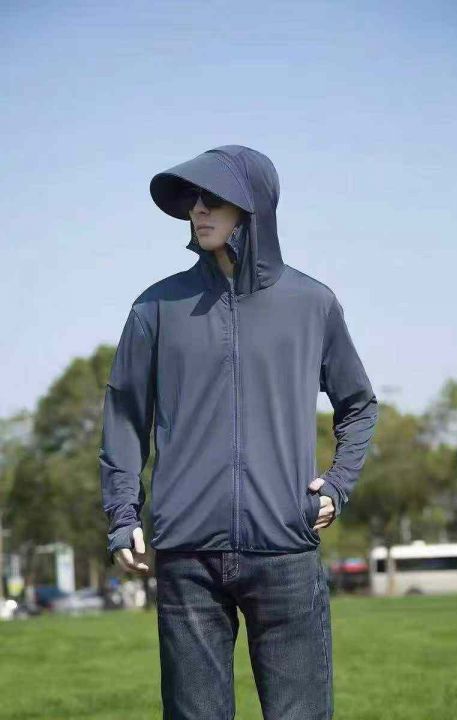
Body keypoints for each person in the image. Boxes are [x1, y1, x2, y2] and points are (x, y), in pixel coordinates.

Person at [99, 144, 379, 719]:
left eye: (214, 199)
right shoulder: (156, 307)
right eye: (193, 200)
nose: (198, 210)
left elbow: (358, 405)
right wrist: (123, 513)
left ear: (251, 209)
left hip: (285, 548)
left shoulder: (312, 304)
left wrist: (336, 485)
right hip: (188, 556)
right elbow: (125, 415)